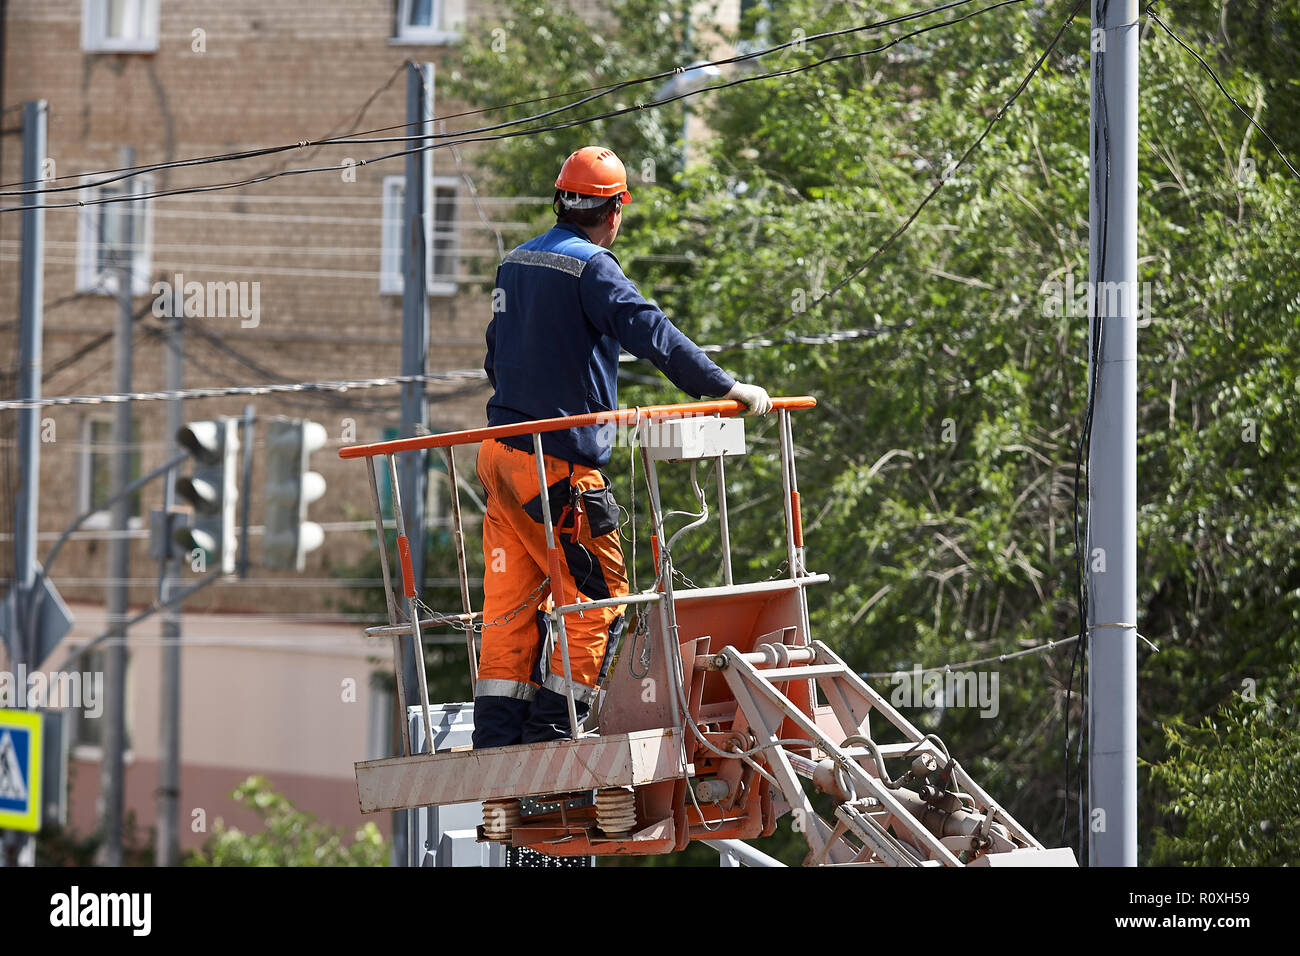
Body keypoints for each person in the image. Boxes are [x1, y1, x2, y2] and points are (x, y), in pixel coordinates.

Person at [473, 145, 772, 749]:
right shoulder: (592, 268)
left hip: (500, 459)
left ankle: (498, 744)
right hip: (557, 472)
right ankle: (556, 742)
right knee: (592, 603)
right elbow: (653, 333)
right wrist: (727, 388)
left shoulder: (515, 263)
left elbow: (493, 355)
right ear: (612, 212)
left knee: (509, 610)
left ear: (561, 201)